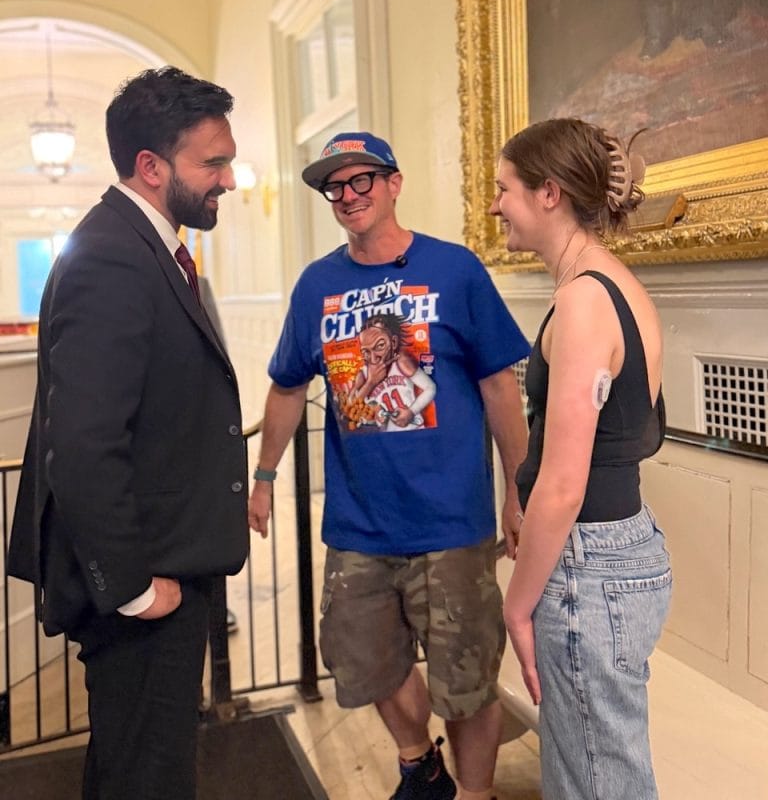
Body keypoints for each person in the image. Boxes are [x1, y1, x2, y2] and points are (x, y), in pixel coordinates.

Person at [249, 131, 530, 800]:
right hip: (359, 524)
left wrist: (520, 492)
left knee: (465, 680)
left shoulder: (455, 270)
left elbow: (499, 386)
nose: (346, 196)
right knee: (361, 662)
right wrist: (262, 477)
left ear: (394, 183)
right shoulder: (317, 284)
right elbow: (287, 386)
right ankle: (418, 762)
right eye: (334, 187)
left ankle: (476, 792)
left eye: (361, 181)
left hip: (450, 522)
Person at [7, 66, 249, 800]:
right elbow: (81, 448)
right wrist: (136, 590)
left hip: (171, 562)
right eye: (213, 162)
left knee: (130, 766)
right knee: (149, 778)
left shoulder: (147, 248)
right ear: (151, 167)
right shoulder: (112, 257)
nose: (229, 180)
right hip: (147, 582)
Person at [490, 117, 672, 800]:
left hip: (588, 569)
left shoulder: (585, 301)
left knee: (598, 782)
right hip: (613, 554)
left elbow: (564, 484)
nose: (494, 204)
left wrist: (517, 604)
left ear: (549, 193)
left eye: (504, 187)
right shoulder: (611, 283)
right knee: (589, 772)